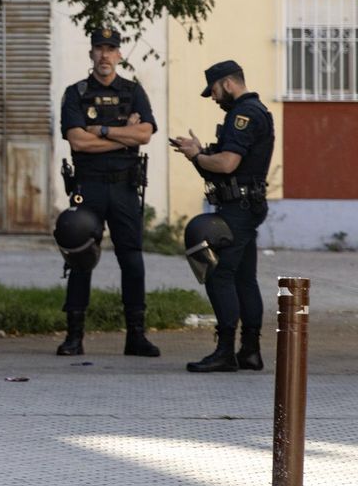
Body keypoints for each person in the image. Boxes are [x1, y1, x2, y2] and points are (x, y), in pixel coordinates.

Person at [55, 29, 161, 358]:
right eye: (99, 48)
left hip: (125, 187)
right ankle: (74, 336)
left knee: (132, 260)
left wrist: (101, 130)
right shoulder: (76, 93)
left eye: (110, 49)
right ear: (91, 54)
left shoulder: (133, 91)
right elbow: (77, 141)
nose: (104, 55)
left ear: (119, 54)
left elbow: (144, 135)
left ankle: (136, 336)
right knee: (80, 256)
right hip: (89, 186)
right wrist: (122, 135)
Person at [170, 60, 274, 373]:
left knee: (220, 275)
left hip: (238, 208)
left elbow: (228, 164)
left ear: (228, 84)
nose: (213, 97)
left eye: (214, 90)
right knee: (244, 277)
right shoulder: (255, 111)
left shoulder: (243, 115)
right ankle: (250, 351)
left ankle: (226, 350)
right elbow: (232, 160)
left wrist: (197, 156)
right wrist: (201, 152)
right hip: (245, 205)